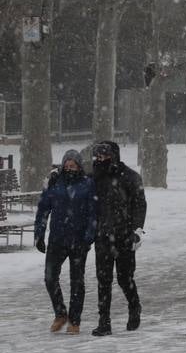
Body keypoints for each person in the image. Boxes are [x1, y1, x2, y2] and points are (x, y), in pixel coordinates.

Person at [34, 150, 97, 334]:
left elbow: (93, 213)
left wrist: (89, 237)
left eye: (73, 166)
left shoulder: (87, 184)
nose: (70, 169)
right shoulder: (55, 183)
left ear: (79, 167)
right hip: (57, 239)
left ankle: (74, 321)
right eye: (67, 166)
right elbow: (43, 209)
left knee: (77, 281)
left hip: (79, 241)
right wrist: (39, 235)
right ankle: (60, 313)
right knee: (49, 277)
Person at [89, 141, 146, 337]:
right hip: (102, 237)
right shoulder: (94, 178)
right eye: (97, 156)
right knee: (103, 280)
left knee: (124, 278)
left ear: (114, 156)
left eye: (104, 156)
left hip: (124, 236)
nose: (100, 160)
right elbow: (76, 185)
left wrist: (137, 230)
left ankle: (134, 306)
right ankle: (104, 321)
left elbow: (140, 204)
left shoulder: (129, 177)